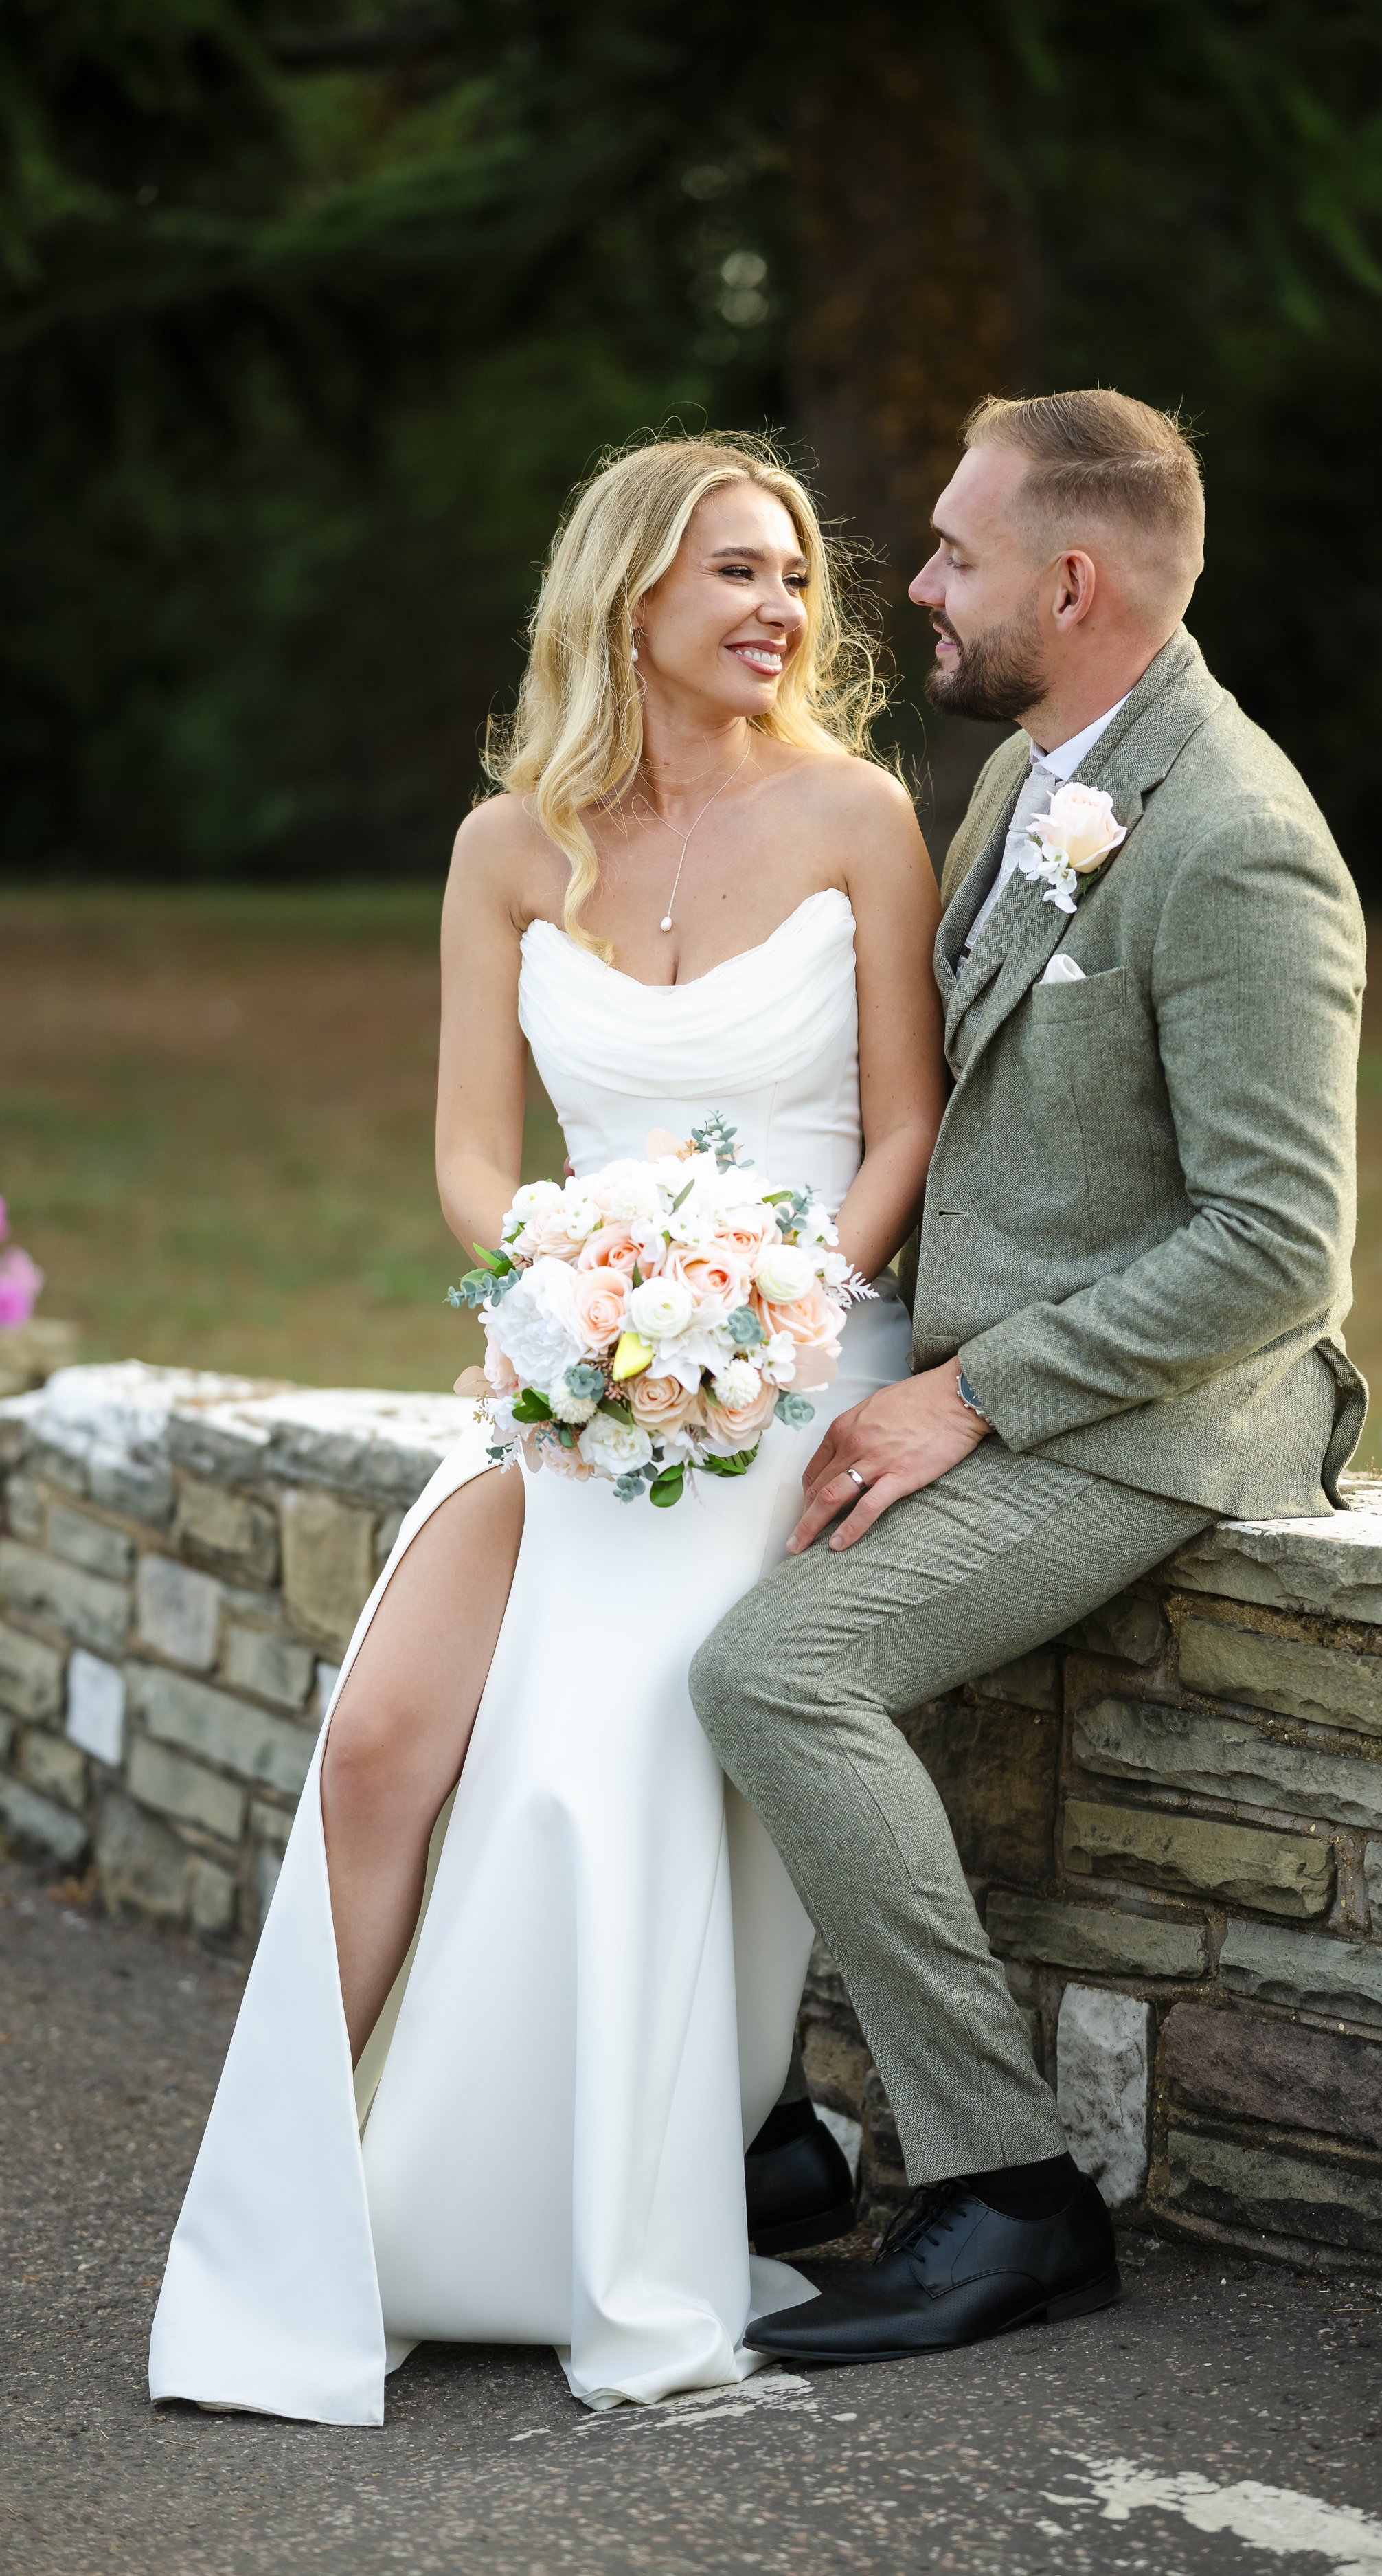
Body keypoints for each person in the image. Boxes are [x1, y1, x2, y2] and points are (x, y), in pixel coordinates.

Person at [146, 433, 947, 2423]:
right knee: (383, 1745)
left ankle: (563, 2224)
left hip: (793, 1362)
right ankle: (276, 2232)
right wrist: (569, 1304)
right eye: (732, 575)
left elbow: (911, 1120)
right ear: (626, 601)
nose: (776, 608)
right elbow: (467, 1154)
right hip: (572, 1360)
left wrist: (773, 1313)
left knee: (589, 1752)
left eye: (789, 577)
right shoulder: (514, 845)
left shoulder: (858, 815)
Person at [694, 387, 1368, 2366]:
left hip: (1165, 1417)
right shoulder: (1035, 781)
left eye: (952, 554)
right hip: (983, 1360)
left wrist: (968, 1397)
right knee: (657, 1566)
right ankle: (761, 2139)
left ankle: (1006, 2191)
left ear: (1067, 581)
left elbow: (1275, 1247)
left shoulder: (1236, 840)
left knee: (774, 1664)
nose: (909, 587)